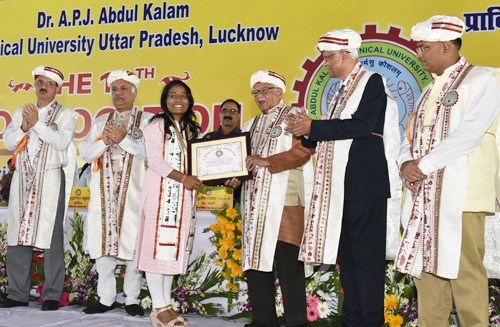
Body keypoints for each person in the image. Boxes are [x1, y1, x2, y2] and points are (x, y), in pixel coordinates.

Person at [286, 29, 401, 326]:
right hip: (340, 189)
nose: (325, 64)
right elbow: (336, 134)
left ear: (345, 55)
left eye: (327, 58)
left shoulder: (372, 81)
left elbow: (361, 127)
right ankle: (352, 319)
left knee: (367, 262)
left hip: (364, 185)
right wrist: (306, 131)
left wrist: (315, 127)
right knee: (347, 262)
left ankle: (370, 321)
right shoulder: (340, 92)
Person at [395, 15, 500, 326]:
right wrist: (405, 163)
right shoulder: (428, 91)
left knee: (465, 270)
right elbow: (410, 136)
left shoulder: (484, 79)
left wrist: (422, 166)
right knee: (427, 270)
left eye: (424, 47)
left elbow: (470, 134)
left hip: (463, 194)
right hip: (425, 195)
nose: (419, 54)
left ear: (446, 46)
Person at [0, 66, 77, 311]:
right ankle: (17, 293)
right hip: (22, 179)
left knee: (51, 237)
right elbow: (10, 142)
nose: (43, 86)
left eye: (49, 83)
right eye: (40, 82)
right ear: (35, 85)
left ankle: (52, 294)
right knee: (17, 236)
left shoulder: (67, 115)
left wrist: (37, 124)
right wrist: (24, 126)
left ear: (57, 88)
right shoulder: (20, 112)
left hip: (51, 179)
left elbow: (61, 142)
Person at [241, 70, 313, 327]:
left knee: (288, 264)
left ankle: (296, 322)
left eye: (266, 90)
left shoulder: (294, 116)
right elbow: (243, 163)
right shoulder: (249, 125)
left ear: (280, 92)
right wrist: (234, 177)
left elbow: (304, 150)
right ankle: (264, 320)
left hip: (285, 200)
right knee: (256, 264)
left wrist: (267, 161)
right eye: (256, 92)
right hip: (254, 203)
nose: (261, 96)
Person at [80, 69, 152, 316]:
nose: (118, 94)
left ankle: (132, 299)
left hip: (136, 194)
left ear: (134, 93)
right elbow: (86, 154)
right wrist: (106, 141)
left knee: (133, 246)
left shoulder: (149, 121)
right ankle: (106, 298)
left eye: (124, 89)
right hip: (104, 195)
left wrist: (123, 140)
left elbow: (152, 155)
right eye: (114, 89)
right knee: (103, 245)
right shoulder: (101, 123)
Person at [137, 80, 203, 326]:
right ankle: (158, 306)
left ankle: (165, 304)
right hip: (159, 193)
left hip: (182, 197)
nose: (178, 99)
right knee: (157, 248)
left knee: (171, 250)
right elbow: (155, 161)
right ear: (165, 100)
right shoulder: (156, 124)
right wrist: (184, 178)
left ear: (190, 100)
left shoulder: (189, 128)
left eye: (184, 95)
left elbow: (200, 161)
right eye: (173, 95)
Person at [204, 98, 243, 204]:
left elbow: (247, 167)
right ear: (219, 114)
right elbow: (202, 169)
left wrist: (238, 181)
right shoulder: (208, 139)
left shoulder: (244, 140)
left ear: (239, 116)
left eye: (233, 111)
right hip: (210, 197)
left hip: (236, 197)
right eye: (224, 111)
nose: (228, 114)